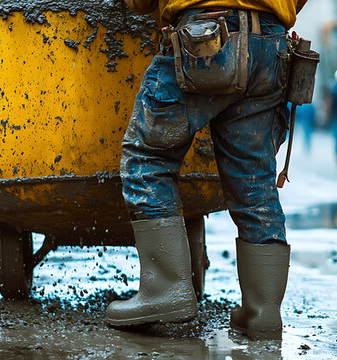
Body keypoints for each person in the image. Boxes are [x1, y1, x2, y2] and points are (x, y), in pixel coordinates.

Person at [108, 0, 307, 340]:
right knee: (255, 180)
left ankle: (166, 290)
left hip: (202, 37)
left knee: (148, 157)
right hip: (269, 46)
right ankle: (262, 312)